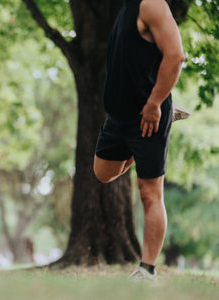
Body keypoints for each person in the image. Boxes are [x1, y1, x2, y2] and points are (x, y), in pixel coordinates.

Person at [93, 0, 187, 280]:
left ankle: (147, 270)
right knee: (103, 173)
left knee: (149, 192)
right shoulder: (126, 9)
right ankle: (145, 144)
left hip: (149, 115)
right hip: (118, 116)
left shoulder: (153, 5)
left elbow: (176, 55)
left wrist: (155, 103)